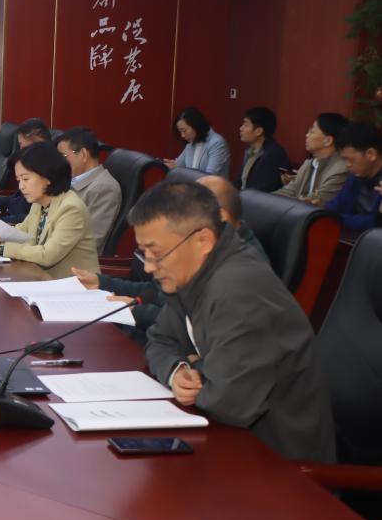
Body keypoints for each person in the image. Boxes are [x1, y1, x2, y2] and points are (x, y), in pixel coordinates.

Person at [130, 181, 333, 463]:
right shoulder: (189, 274)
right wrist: (178, 370)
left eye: (157, 252)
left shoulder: (241, 290)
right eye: (144, 253)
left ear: (202, 240)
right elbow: (159, 339)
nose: (149, 266)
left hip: (278, 463)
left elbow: (227, 403)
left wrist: (198, 367)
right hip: (227, 440)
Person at [75, 175, 268, 344]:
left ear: (220, 217)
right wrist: (103, 283)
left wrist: (135, 311)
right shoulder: (197, 246)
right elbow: (157, 294)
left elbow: (189, 327)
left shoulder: (240, 272)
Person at [0, 141, 98, 278]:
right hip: (39, 278)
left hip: (74, 285)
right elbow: (21, 232)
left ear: (48, 177)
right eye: (18, 180)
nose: (21, 186)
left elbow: (47, 255)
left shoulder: (71, 208)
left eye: (26, 179)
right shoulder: (39, 203)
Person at [55, 126, 121, 243]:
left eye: (63, 156)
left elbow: (91, 240)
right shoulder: (70, 179)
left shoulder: (105, 188)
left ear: (83, 154)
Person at [0, 118, 51, 224]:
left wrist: (1, 221)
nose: (21, 151)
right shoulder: (30, 166)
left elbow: (34, 217)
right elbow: (17, 198)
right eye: (20, 145)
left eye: (26, 147)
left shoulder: (47, 171)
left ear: (41, 144)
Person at [275, 112, 349, 204]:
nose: (307, 135)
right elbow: (290, 191)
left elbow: (318, 199)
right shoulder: (309, 163)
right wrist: (264, 199)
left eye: (312, 131)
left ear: (328, 140)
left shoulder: (341, 168)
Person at [324, 122, 382, 231]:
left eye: (350, 159)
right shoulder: (355, 177)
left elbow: (375, 224)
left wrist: (340, 219)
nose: (347, 165)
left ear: (371, 154)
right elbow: (331, 211)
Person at [235, 106, 290, 192]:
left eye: (246, 125)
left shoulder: (273, 154)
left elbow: (261, 190)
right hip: (244, 196)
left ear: (259, 131)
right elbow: (239, 182)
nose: (241, 128)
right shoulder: (250, 150)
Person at [164, 107, 230, 177]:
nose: (182, 135)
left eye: (184, 130)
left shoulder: (217, 143)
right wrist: (169, 164)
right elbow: (179, 164)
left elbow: (209, 177)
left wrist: (179, 169)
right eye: (180, 131)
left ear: (196, 126)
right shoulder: (190, 144)